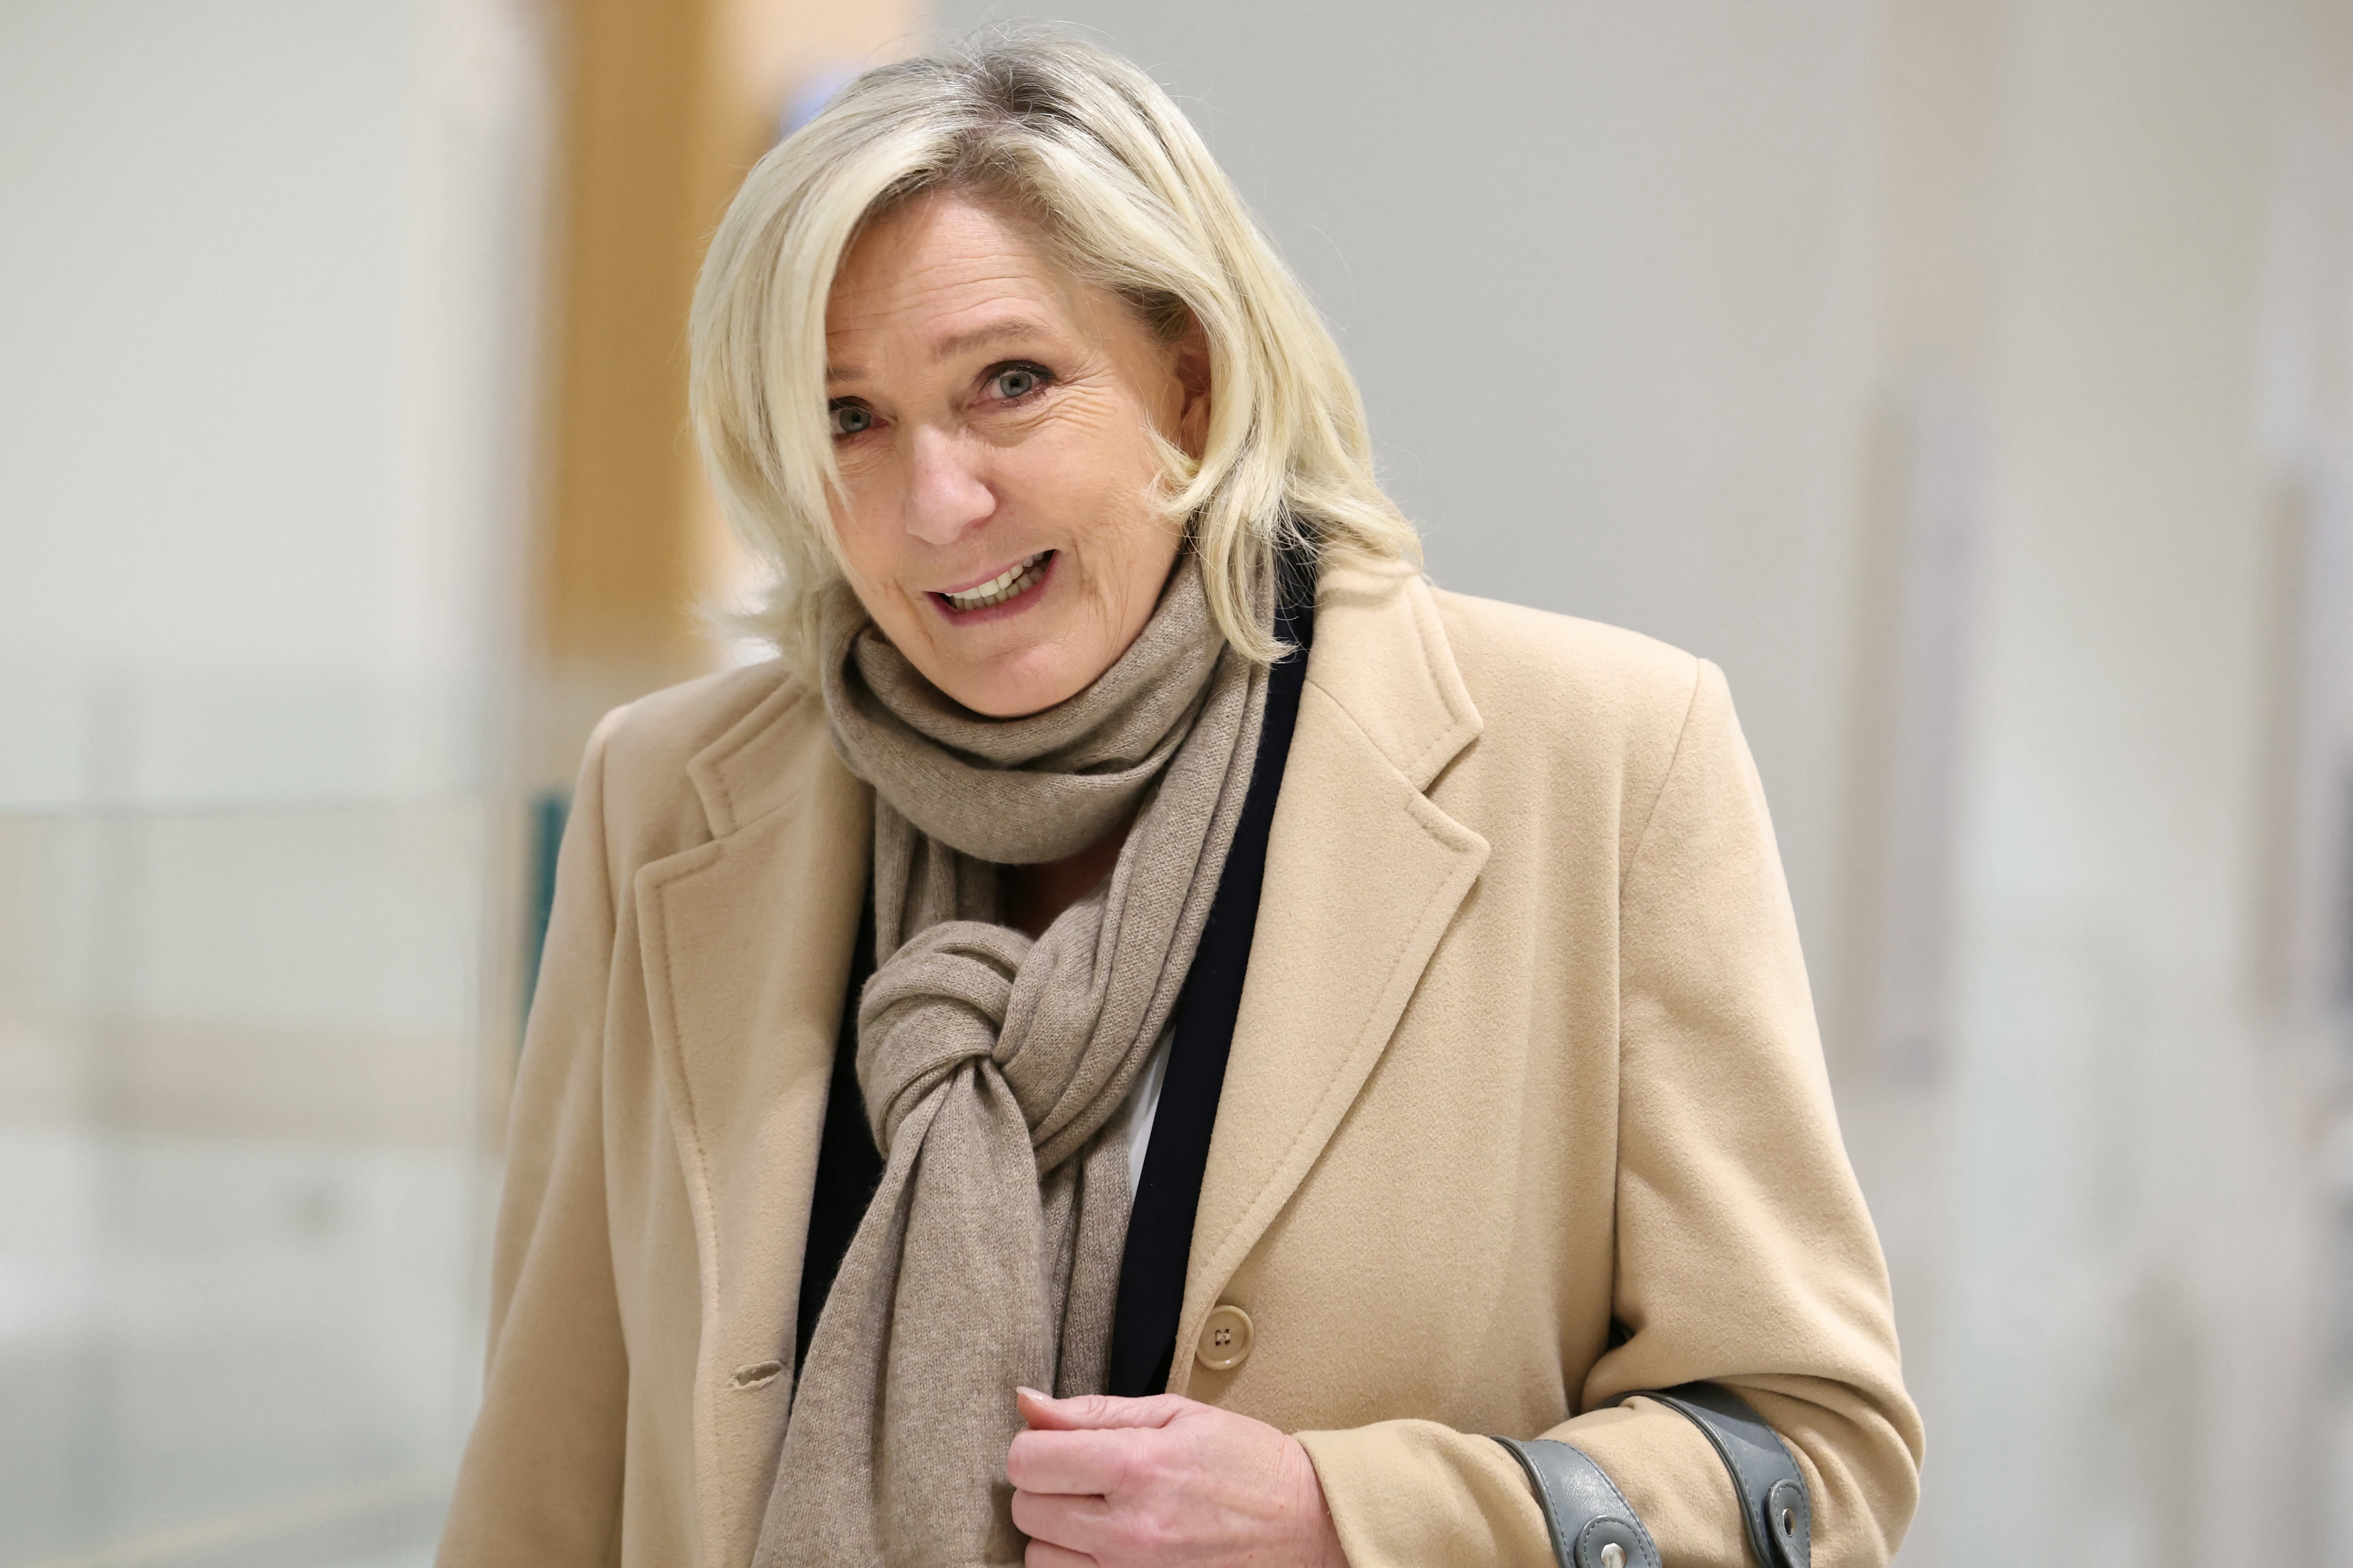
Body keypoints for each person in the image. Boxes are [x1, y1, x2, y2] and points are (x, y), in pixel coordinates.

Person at [436, 34, 1923, 1568]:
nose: (934, 505)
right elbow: (548, 1480)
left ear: (1193, 383)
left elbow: (1816, 1454)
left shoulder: (1605, 754)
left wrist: (1350, 1523)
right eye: (849, 419)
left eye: (1010, 385)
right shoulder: (668, 797)